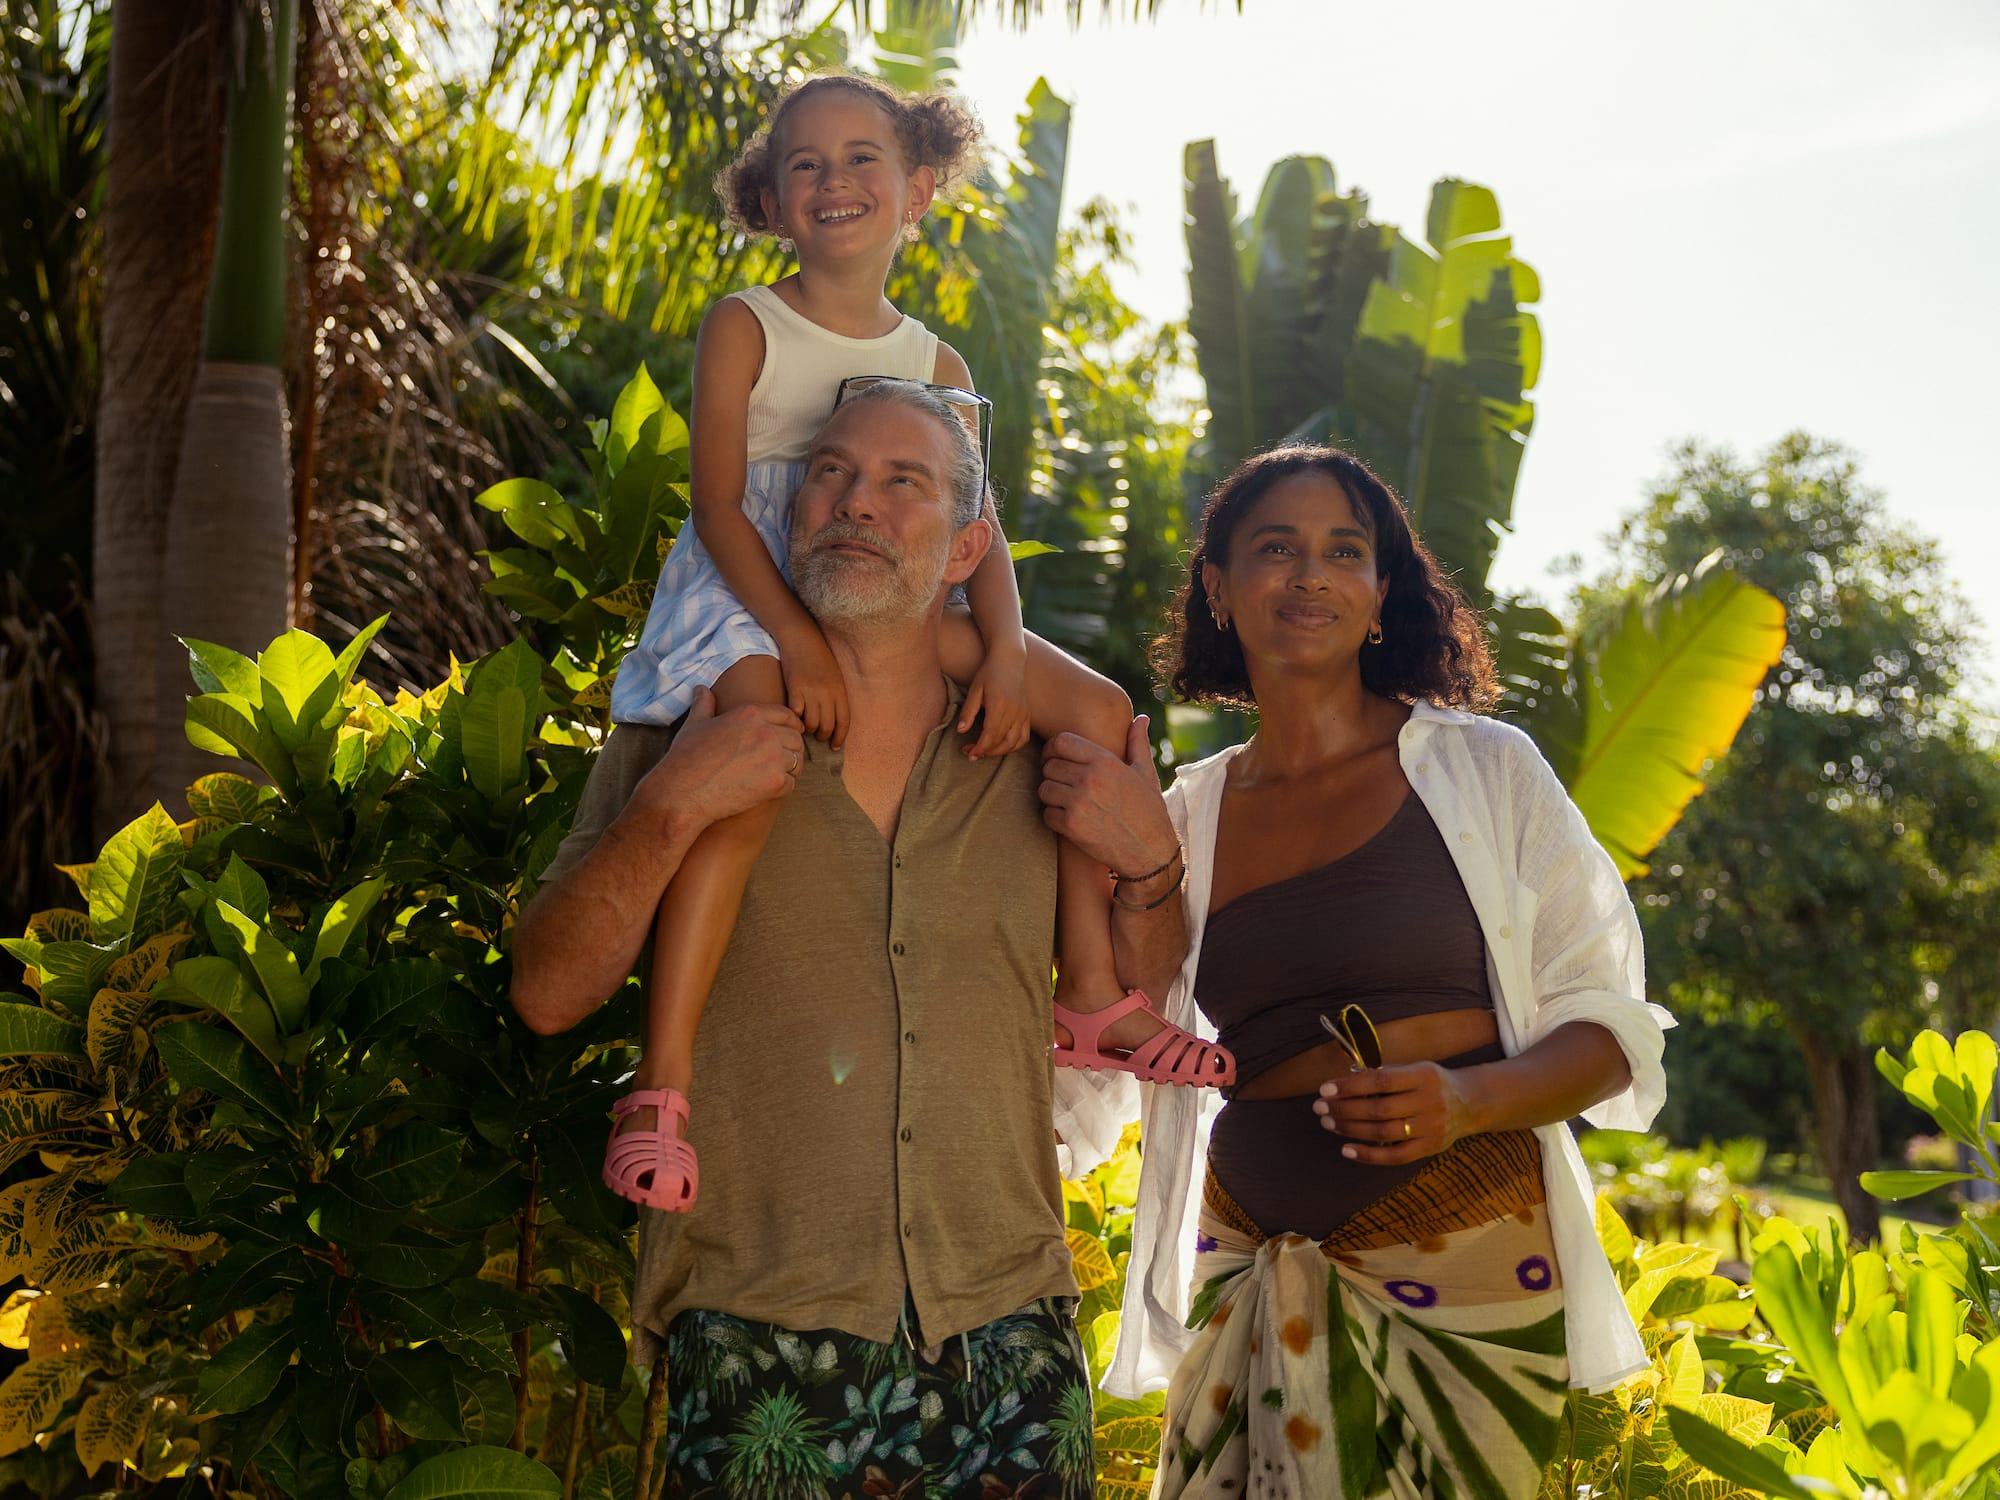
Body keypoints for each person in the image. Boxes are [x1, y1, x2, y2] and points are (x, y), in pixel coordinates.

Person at [511, 383, 1178, 1498]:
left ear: (968, 549)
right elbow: (546, 993)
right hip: (755, 1328)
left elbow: (1136, 994)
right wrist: (670, 807)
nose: (853, 503)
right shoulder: (694, 726)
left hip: (1009, 1334)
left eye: (899, 482)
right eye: (829, 471)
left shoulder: (1037, 750)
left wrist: (1150, 864)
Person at [602, 72, 1228, 1214]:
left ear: (917, 190)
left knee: (1091, 715)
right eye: (804, 164)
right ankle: (663, 1084)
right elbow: (714, 506)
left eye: (860, 160)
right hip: (753, 577)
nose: (833, 181)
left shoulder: (938, 363)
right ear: (771, 201)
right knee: (746, 771)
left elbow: (977, 535)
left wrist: (1000, 647)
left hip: (894, 578)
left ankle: (1088, 991)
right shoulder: (747, 322)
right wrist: (790, 638)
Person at [1096, 446, 1673, 1498]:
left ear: (1377, 598)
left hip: (1463, 1252)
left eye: (1342, 552)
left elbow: (1609, 1027)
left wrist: (1464, 1100)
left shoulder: (1484, 771)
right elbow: (1134, 1018)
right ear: (1217, 590)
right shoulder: (1190, 812)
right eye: (1275, 548)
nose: (1308, 574)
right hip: (1248, 1252)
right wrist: (1137, 865)